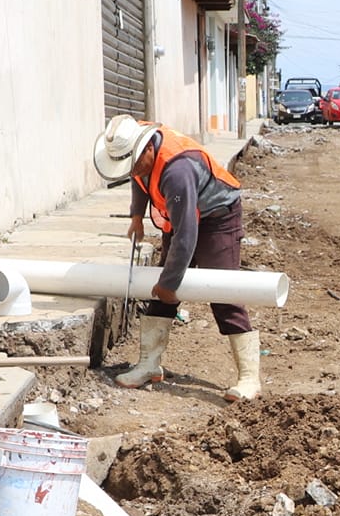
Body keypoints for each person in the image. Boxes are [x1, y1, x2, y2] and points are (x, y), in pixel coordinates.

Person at [94, 115, 260, 401]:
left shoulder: (177, 171)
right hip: (186, 217)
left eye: (133, 164)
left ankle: (249, 377)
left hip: (218, 215)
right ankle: (149, 364)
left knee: (223, 291)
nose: (132, 170)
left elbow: (186, 234)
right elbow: (140, 178)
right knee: (161, 288)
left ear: (146, 149)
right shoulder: (141, 151)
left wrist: (170, 284)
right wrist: (137, 217)